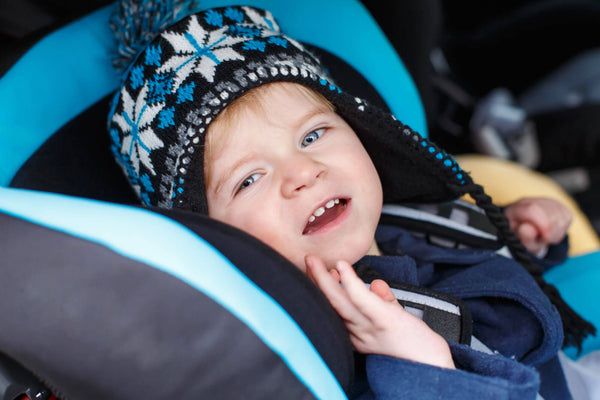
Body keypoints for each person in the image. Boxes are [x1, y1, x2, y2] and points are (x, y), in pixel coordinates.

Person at [107, 4, 595, 399]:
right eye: (249, 179)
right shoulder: (302, 352)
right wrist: (420, 367)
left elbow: (471, 269)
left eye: (313, 134)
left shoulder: (405, 223)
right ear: (215, 236)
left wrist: (520, 236)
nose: (302, 173)